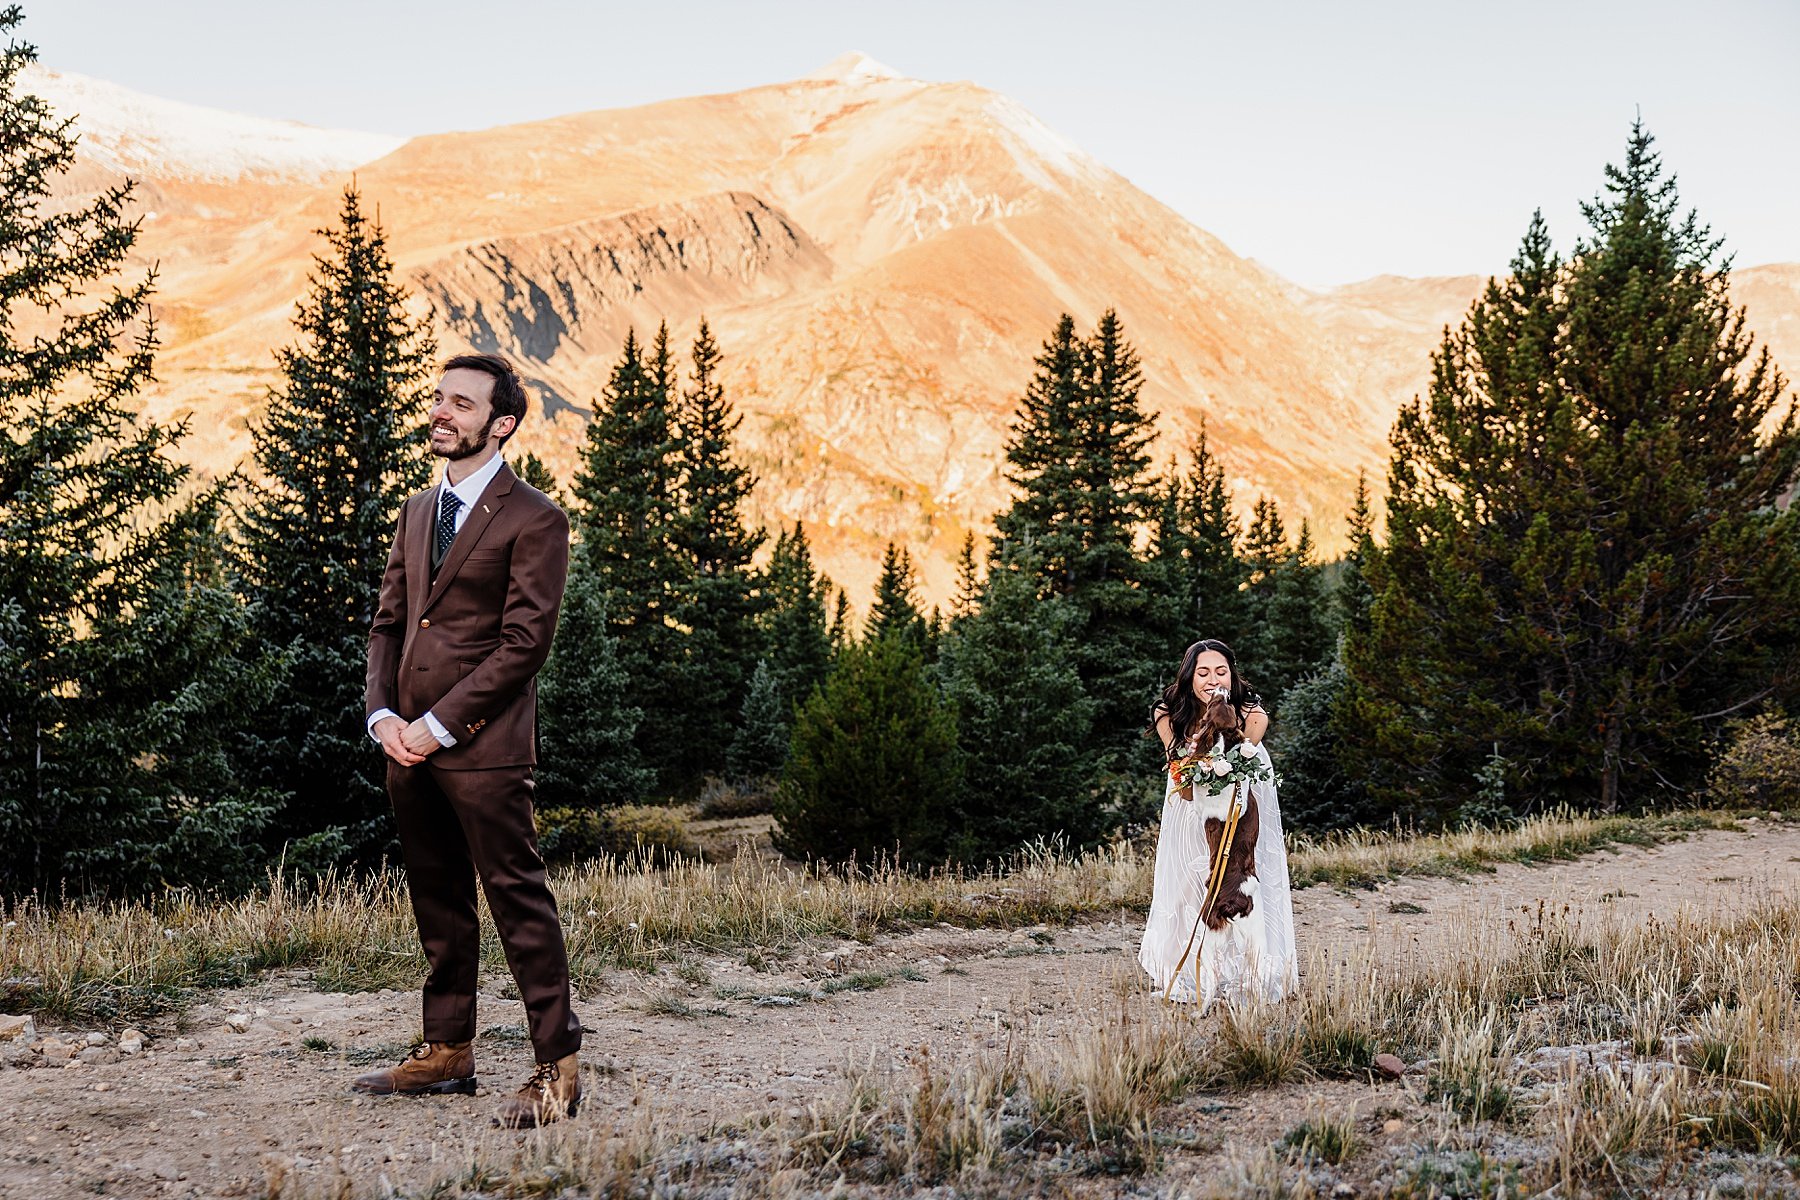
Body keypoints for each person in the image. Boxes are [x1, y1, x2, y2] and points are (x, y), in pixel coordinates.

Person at [355, 353, 584, 1127]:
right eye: (437, 398)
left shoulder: (536, 519)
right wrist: (383, 717)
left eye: (460, 402)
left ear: (502, 423)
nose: (440, 412)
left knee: (518, 902)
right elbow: (390, 623)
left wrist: (438, 724)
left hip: (482, 748)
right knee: (438, 901)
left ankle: (557, 1067)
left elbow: (524, 645)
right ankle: (448, 1051)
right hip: (406, 749)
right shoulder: (417, 510)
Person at [1139, 639, 1298, 1006]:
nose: (1213, 678)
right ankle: (1197, 971)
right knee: (1190, 875)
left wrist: (1231, 746)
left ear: (1231, 673)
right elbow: (1179, 771)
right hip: (1189, 795)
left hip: (1241, 790)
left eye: (1221, 670)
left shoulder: (1246, 707)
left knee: (1244, 872)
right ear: (1190, 675)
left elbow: (1250, 740)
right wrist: (1195, 764)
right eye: (1204, 672)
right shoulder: (1169, 712)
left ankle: (1251, 972)